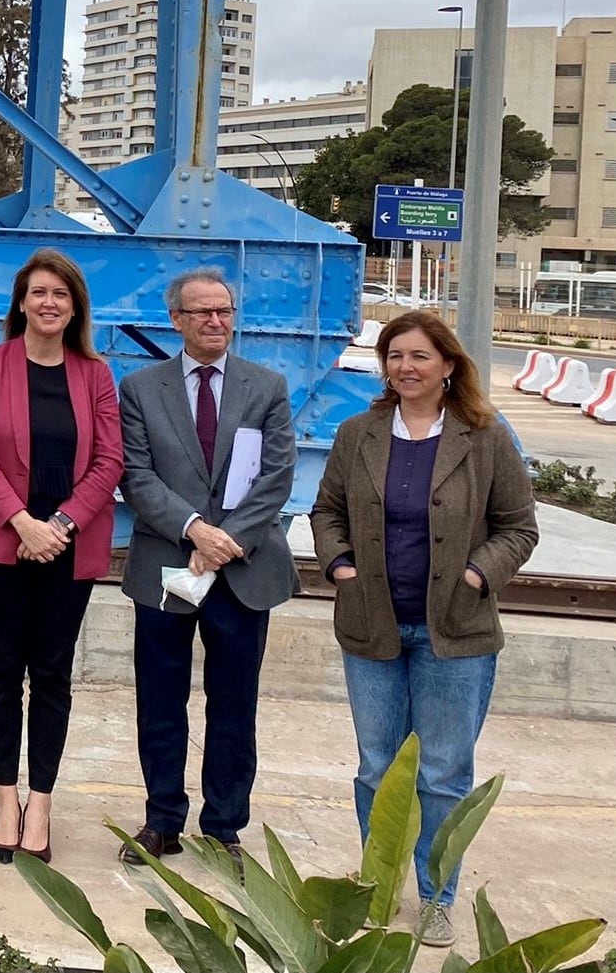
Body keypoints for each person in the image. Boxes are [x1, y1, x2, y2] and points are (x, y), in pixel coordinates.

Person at [311, 310, 537, 948]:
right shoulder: (359, 434)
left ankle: (437, 894)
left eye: (419, 356)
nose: (405, 367)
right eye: (394, 355)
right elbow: (327, 510)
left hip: (455, 636)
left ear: (447, 366)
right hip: (372, 626)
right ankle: (378, 888)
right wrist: (341, 565)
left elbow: (519, 527)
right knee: (376, 769)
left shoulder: (485, 438)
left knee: (441, 772)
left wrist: (476, 574)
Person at [117, 267, 296, 871]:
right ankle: (162, 821)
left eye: (223, 310)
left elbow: (276, 478)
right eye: (201, 313)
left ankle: (223, 829)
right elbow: (136, 476)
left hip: (243, 574)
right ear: (177, 321)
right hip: (167, 566)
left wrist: (225, 542)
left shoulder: (266, 386)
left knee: (233, 705)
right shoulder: (141, 388)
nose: (215, 321)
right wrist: (194, 530)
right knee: (161, 701)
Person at [0, 249, 123, 865]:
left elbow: (110, 460)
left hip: (67, 547)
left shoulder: (96, 375)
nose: (49, 303)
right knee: (2, 668)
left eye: (61, 294)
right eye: (38, 292)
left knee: (52, 673)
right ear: (21, 302)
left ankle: (42, 802)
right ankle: (5, 797)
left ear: (75, 307)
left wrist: (61, 524)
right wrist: (23, 522)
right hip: (2, 543)